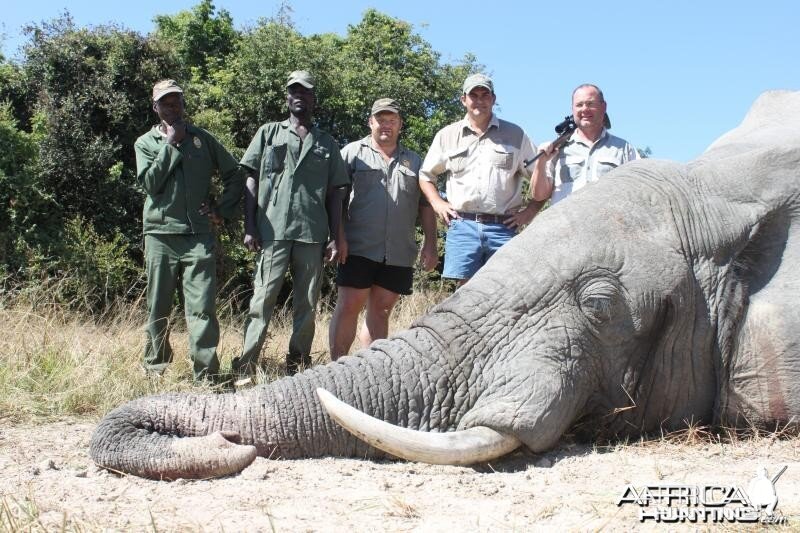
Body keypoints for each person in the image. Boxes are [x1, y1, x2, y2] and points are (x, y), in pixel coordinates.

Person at [234, 70, 349, 377]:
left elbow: (337, 192)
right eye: (294, 91)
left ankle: (297, 366)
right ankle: (246, 366)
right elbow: (250, 180)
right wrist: (249, 226)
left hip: (312, 233)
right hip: (272, 230)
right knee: (262, 299)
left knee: (307, 305)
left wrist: (335, 237)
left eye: (305, 91)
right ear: (287, 97)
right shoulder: (268, 133)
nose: (299, 95)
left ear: (313, 98)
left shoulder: (326, 143)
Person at [134, 79, 243, 382]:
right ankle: (154, 369)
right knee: (158, 305)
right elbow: (149, 184)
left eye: (176, 100)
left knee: (202, 308)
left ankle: (206, 375)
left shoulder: (202, 139)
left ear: (183, 103)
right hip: (159, 236)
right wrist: (170, 144)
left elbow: (235, 174)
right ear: (155, 107)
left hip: (198, 237)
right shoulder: (145, 143)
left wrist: (221, 210)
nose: (172, 107)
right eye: (165, 102)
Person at [328, 98, 438, 360]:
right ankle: (337, 366)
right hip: (357, 246)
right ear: (370, 122)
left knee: (381, 310)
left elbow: (426, 205)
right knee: (349, 306)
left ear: (400, 124)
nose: (386, 125)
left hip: (399, 250)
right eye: (381, 119)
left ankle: (370, 371)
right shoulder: (352, 153)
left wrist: (431, 243)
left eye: (392, 120)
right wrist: (338, 237)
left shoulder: (414, 160)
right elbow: (336, 199)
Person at [419, 73, 539, 285]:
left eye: (485, 95)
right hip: (462, 225)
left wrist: (529, 212)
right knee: (465, 298)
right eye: (474, 95)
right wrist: (438, 203)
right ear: (463, 99)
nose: (480, 100)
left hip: (503, 228)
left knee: (505, 293)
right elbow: (426, 175)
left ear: (493, 99)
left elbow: (541, 177)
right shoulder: (447, 135)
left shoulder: (516, 134)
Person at [531, 84, 639, 205]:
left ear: (604, 107)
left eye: (590, 104)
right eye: (579, 105)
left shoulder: (624, 149)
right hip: (565, 223)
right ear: (572, 109)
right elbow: (539, 195)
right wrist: (540, 162)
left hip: (607, 222)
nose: (584, 109)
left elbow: (639, 189)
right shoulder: (556, 149)